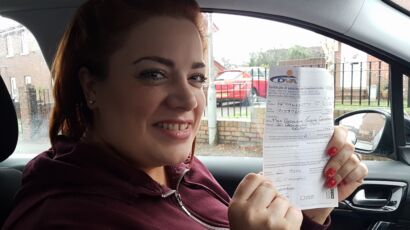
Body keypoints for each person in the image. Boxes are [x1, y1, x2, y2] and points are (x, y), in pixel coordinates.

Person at [3, 0, 368, 229]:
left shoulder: (182, 168)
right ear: (92, 87)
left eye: (196, 77)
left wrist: (312, 213)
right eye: (154, 74)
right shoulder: (61, 217)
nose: (188, 100)